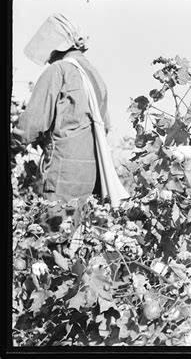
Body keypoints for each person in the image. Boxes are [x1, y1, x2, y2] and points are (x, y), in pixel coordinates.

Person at [12, 14, 124, 233]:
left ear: (55, 46)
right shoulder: (94, 75)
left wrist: (11, 145)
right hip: (90, 176)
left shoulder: (58, 70)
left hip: (62, 174)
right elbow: (105, 126)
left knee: (51, 242)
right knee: (79, 245)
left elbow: (31, 126)